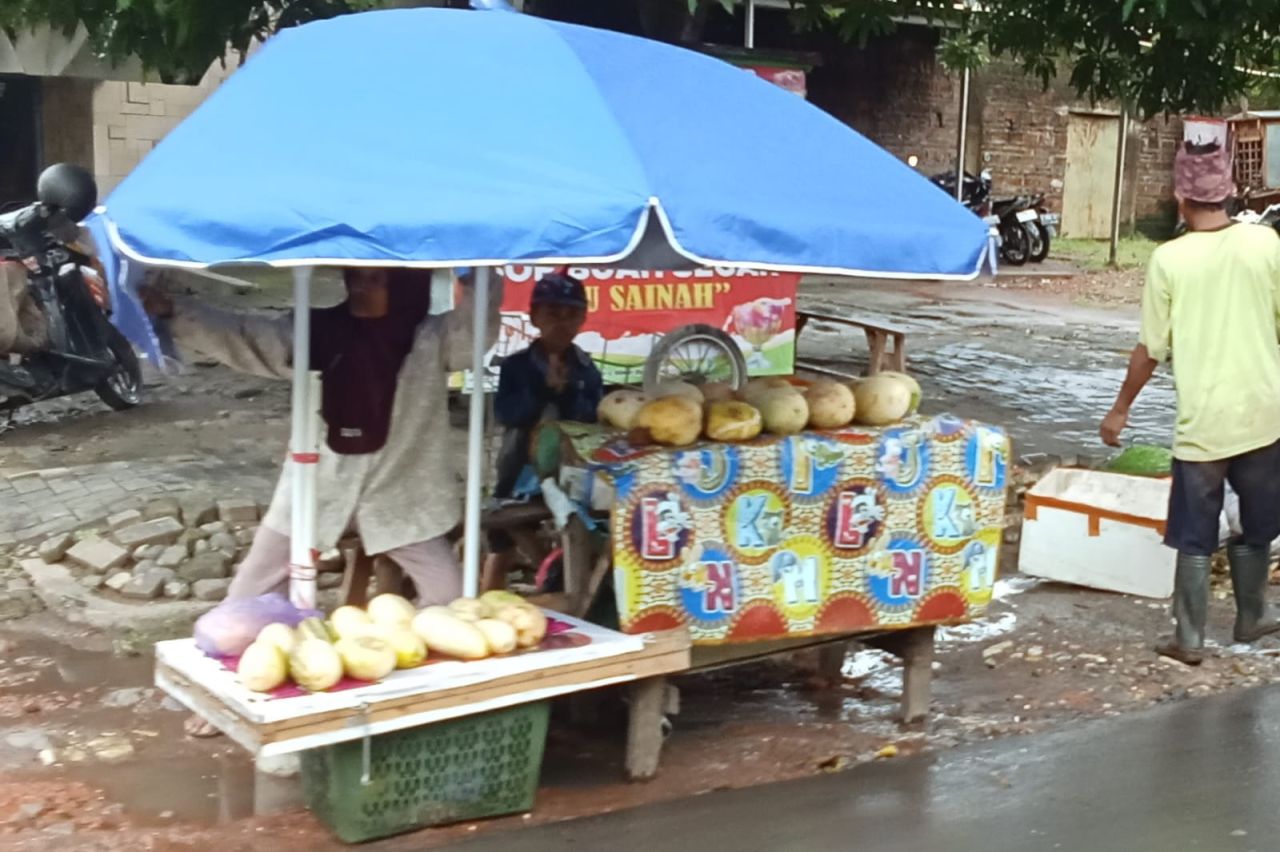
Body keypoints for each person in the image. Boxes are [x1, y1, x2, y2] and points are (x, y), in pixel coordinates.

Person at [142, 266, 500, 733]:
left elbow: (477, 329)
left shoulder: (431, 340)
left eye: (375, 281)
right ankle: (224, 699)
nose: (359, 287)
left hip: (401, 494)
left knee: (448, 595)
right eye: (355, 277)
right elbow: (248, 336)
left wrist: (480, 278)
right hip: (316, 487)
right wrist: (177, 311)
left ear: (404, 287)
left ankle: (417, 696)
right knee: (248, 593)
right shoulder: (319, 330)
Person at [1101, 140, 1280, 665]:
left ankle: (1191, 639)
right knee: (1259, 523)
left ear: (1181, 196)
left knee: (1195, 535)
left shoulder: (1169, 260)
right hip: (1264, 417)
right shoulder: (1266, 244)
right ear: (1229, 191)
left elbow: (1151, 348)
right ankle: (1251, 619)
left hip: (1203, 425)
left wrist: (1120, 409)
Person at [482, 271, 602, 591]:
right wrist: (543, 390)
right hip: (518, 473)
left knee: (580, 525)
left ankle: (562, 580)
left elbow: (591, 422)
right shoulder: (516, 366)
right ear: (534, 316)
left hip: (571, 476)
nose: (561, 323)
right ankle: (492, 590)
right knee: (502, 537)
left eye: (571, 314)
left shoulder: (587, 370)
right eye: (552, 314)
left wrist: (568, 392)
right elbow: (508, 414)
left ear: (583, 318)